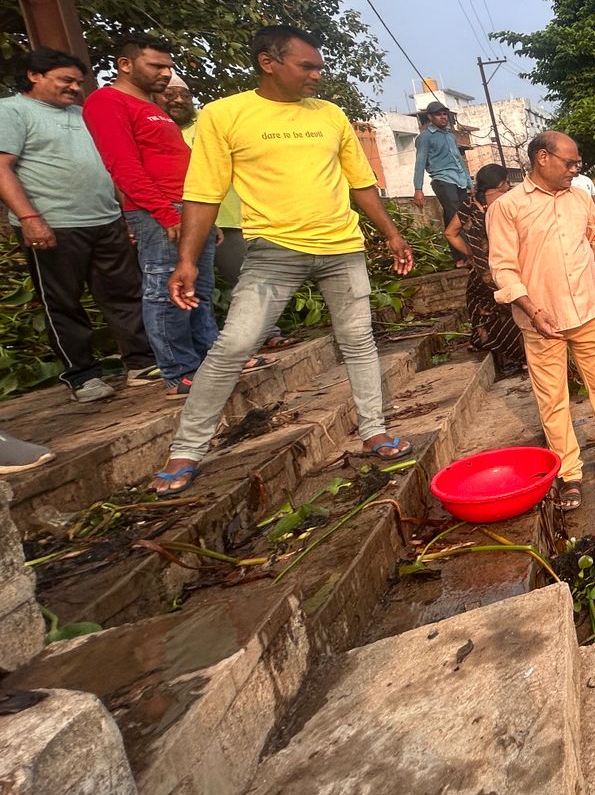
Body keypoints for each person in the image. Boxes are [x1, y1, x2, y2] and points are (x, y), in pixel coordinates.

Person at [146, 26, 417, 497]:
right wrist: (187, 260)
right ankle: (186, 449)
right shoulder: (225, 115)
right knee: (234, 345)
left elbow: (360, 182)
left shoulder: (331, 115)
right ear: (268, 62)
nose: (318, 74)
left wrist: (391, 233)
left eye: (319, 66)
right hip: (273, 251)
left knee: (358, 340)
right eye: (307, 66)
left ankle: (374, 428)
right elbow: (203, 193)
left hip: (341, 247)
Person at [489, 130, 595, 512]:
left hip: (588, 311)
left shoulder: (581, 199)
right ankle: (569, 473)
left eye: (577, 163)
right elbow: (503, 268)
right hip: (542, 320)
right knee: (553, 400)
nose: (576, 169)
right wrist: (530, 308)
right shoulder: (507, 207)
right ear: (543, 158)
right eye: (570, 162)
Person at [0, 49, 157, 403]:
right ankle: (83, 375)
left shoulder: (84, 114)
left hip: (105, 219)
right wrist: (29, 218)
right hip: (53, 223)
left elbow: (111, 165)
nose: (74, 87)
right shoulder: (11, 111)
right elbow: (2, 167)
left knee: (126, 294)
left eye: (77, 82)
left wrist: (125, 212)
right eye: (65, 80)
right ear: (34, 76)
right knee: (62, 301)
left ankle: (142, 364)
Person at [84, 37, 235, 395]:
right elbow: (123, 166)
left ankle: (211, 360)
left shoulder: (152, 105)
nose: (166, 74)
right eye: (156, 66)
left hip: (190, 207)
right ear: (125, 65)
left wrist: (201, 215)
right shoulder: (107, 102)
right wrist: (166, 214)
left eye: (169, 66)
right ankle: (179, 369)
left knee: (199, 287)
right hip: (160, 210)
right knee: (166, 288)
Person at [162, 78, 295, 353]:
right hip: (179, 220)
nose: (177, 101)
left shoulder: (211, 121)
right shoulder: (160, 130)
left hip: (230, 218)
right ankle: (207, 344)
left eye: (183, 95)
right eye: (169, 95)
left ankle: (269, 333)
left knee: (245, 279)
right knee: (192, 286)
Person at [443, 164, 525, 377]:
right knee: (514, 310)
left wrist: (472, 254)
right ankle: (523, 357)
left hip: (481, 271)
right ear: (500, 183)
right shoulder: (505, 203)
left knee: (495, 313)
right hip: (503, 268)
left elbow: (450, 233)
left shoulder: (470, 204)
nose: (508, 186)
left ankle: (510, 354)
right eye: (506, 182)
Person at [412, 101, 471, 233]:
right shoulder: (425, 137)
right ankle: (462, 249)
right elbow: (420, 163)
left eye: (445, 114)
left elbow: (459, 160)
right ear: (430, 117)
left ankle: (459, 250)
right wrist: (418, 189)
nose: (443, 117)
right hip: (443, 180)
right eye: (438, 114)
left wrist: (470, 183)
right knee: (457, 217)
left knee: (460, 215)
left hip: (460, 181)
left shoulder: (450, 136)